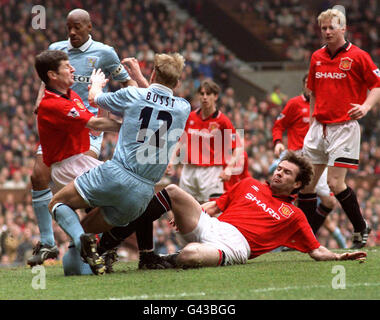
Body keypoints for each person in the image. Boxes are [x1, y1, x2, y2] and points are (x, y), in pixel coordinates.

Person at [94, 152, 367, 269]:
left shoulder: (294, 216)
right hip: (213, 225)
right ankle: (140, 252)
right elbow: (213, 206)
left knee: (190, 255)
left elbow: (316, 250)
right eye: (279, 169)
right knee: (172, 191)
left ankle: (161, 258)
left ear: (297, 184)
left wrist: (341, 257)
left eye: (286, 173)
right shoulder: (248, 184)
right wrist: (185, 213)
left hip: (236, 246)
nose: (279, 174)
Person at [48, 52, 191, 275]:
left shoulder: (133, 95)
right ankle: (91, 255)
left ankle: (81, 245)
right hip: (143, 193)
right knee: (85, 234)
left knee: (56, 204)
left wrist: (96, 83)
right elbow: (160, 100)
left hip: (117, 173)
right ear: (178, 82)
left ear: (153, 73)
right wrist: (144, 79)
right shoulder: (183, 108)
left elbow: (96, 98)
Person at [28, 8, 135, 267]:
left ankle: (98, 245)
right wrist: (39, 100)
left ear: (89, 27)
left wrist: (134, 105)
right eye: (69, 28)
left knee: (85, 186)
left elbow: (127, 82)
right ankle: (47, 242)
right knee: (37, 176)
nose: (72, 32)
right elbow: (46, 79)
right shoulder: (57, 49)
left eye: (77, 27)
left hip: (89, 126)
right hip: (60, 120)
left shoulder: (105, 53)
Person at [33, 49, 123, 274]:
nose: (73, 69)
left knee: (75, 269)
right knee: (120, 193)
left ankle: (85, 246)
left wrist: (98, 95)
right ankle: (102, 246)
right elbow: (96, 125)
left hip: (80, 161)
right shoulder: (54, 105)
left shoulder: (70, 95)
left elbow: (96, 121)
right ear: (53, 75)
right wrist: (131, 127)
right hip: (67, 166)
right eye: (67, 67)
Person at [300, 8, 380, 249]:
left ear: (343, 28)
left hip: (344, 127)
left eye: (331, 27)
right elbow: (313, 92)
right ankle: (305, 237)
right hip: (319, 127)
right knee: (306, 184)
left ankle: (360, 226)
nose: (326, 32)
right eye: (323, 28)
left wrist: (366, 107)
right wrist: (312, 121)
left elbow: (376, 85)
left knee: (335, 184)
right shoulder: (316, 57)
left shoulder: (358, 56)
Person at [272, 74, 346, 248]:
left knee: (329, 202)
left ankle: (308, 234)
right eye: (308, 83)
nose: (311, 86)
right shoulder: (294, 104)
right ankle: (284, 241)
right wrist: (277, 142)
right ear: (305, 85)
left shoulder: (324, 104)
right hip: (297, 156)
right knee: (290, 199)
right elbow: (278, 125)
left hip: (318, 159)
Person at [168, 79, 243, 203]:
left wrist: (229, 168)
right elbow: (181, 141)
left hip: (211, 172)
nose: (205, 97)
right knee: (184, 209)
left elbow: (238, 147)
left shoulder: (223, 121)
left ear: (216, 96)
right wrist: (171, 160)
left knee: (211, 212)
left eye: (208, 94)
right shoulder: (191, 117)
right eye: (202, 94)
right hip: (189, 171)